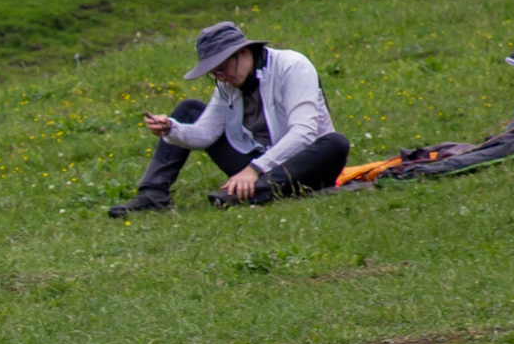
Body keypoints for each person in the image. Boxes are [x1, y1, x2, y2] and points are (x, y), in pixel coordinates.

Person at [109, 21, 351, 216]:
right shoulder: (227, 83)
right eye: (214, 73)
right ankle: (153, 194)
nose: (220, 77)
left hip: (303, 165)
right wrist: (171, 129)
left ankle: (247, 193)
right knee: (188, 110)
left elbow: (304, 133)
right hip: (255, 165)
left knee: (336, 143)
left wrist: (255, 169)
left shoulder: (293, 66)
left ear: (242, 53)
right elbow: (206, 133)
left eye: (221, 69)